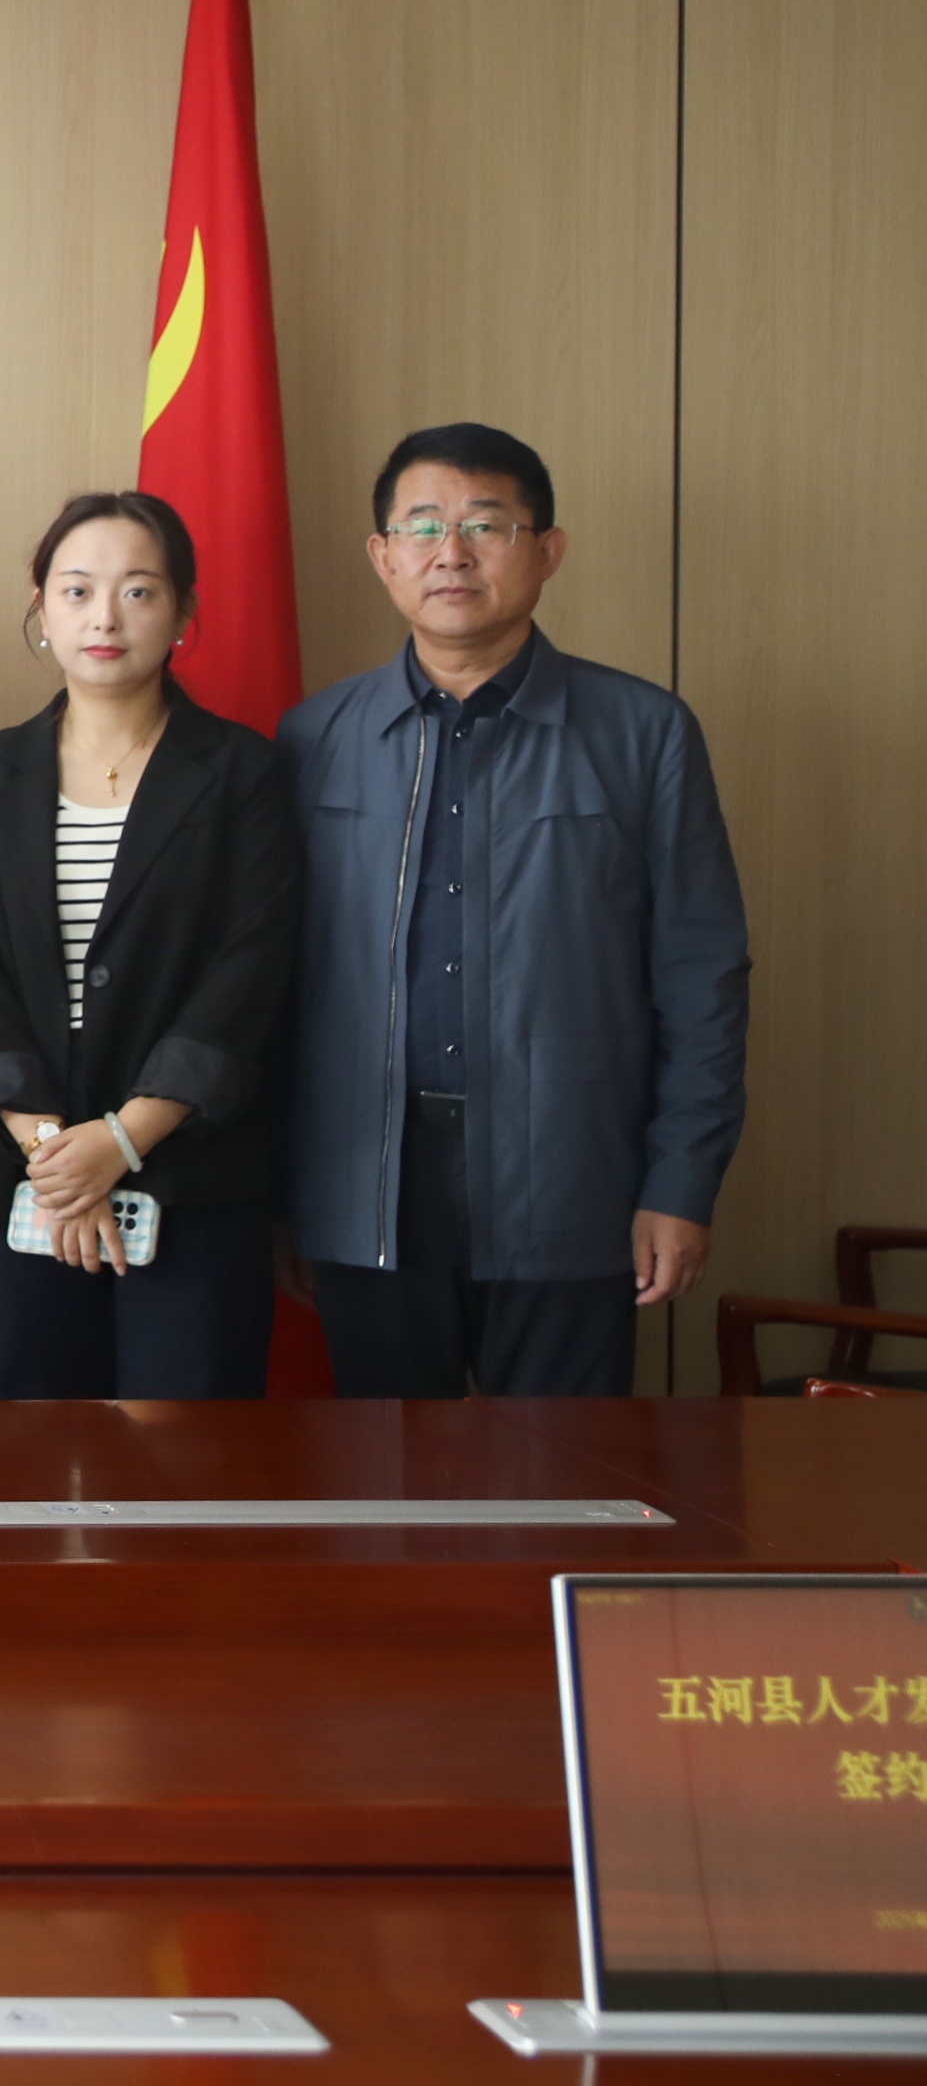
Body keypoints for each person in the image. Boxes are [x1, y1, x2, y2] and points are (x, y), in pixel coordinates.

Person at [283, 423, 748, 1397]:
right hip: (366, 1182)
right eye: (421, 526)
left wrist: (679, 1184)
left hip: (571, 1179)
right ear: (382, 556)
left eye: (485, 524)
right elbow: (274, 981)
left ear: (546, 550)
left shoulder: (644, 733)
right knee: (381, 1474)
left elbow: (702, 980)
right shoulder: (311, 739)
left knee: (561, 1473)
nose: (449, 552)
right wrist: (286, 1200)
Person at [0, 492, 298, 1400]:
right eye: (76, 589)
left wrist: (123, 1141)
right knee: (31, 1448)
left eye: (137, 590)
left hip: (192, 1178)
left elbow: (249, 969)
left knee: (187, 1459)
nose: (103, 617)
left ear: (182, 612)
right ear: (41, 607)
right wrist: (58, 1157)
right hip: (27, 1180)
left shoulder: (244, 771)